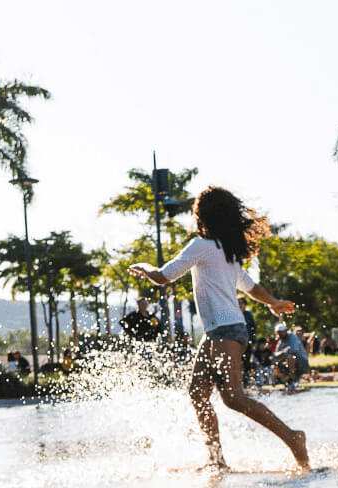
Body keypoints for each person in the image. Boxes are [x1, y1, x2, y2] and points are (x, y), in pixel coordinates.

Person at [130, 185, 310, 470]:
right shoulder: (223, 251)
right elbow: (250, 287)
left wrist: (143, 267)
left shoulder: (202, 247)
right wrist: (273, 302)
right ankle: (216, 461)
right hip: (219, 331)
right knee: (198, 393)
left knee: (233, 397)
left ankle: (293, 437)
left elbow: (164, 277)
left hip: (227, 330)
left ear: (202, 216)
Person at [272, 322, 310, 389]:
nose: (280, 334)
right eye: (279, 332)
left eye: (282, 332)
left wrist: (281, 353)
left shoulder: (292, 337)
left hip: (302, 362)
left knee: (290, 357)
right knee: (275, 363)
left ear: (286, 331)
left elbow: (292, 350)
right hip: (292, 364)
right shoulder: (280, 341)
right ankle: (279, 381)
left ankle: (292, 379)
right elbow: (275, 355)